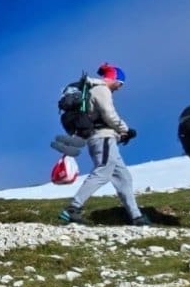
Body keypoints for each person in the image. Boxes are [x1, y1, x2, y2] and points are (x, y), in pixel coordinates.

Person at [58, 63, 149, 227]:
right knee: (103, 171)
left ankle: (136, 217)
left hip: (104, 138)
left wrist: (120, 134)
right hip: (103, 137)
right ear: (114, 79)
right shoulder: (101, 89)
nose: (119, 88)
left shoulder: (93, 89)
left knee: (123, 177)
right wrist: (125, 130)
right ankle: (73, 208)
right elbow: (109, 115)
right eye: (120, 84)